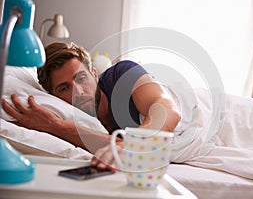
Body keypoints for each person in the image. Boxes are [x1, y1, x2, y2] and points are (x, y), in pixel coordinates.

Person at [2, 42, 181, 169]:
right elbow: (119, 145)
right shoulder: (78, 118)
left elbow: (167, 109)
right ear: (53, 96)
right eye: (64, 88)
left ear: (94, 74)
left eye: (81, 78)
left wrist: (55, 125)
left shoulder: (121, 75)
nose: (78, 92)